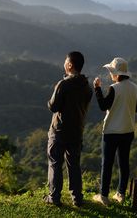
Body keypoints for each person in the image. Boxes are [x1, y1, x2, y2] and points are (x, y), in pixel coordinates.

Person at [45, 51, 93, 207]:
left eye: (65, 61)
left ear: (70, 65)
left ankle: (54, 197)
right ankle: (77, 198)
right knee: (74, 164)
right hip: (76, 130)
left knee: (55, 163)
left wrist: (55, 90)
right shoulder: (86, 86)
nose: (64, 64)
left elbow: (53, 106)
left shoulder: (63, 84)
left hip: (59, 130)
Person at [92, 57, 137, 206]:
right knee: (124, 162)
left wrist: (97, 89)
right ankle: (121, 193)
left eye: (111, 72)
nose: (110, 74)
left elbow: (103, 106)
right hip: (128, 130)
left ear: (116, 73)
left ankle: (104, 196)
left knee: (107, 163)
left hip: (112, 131)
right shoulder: (135, 88)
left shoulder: (114, 88)